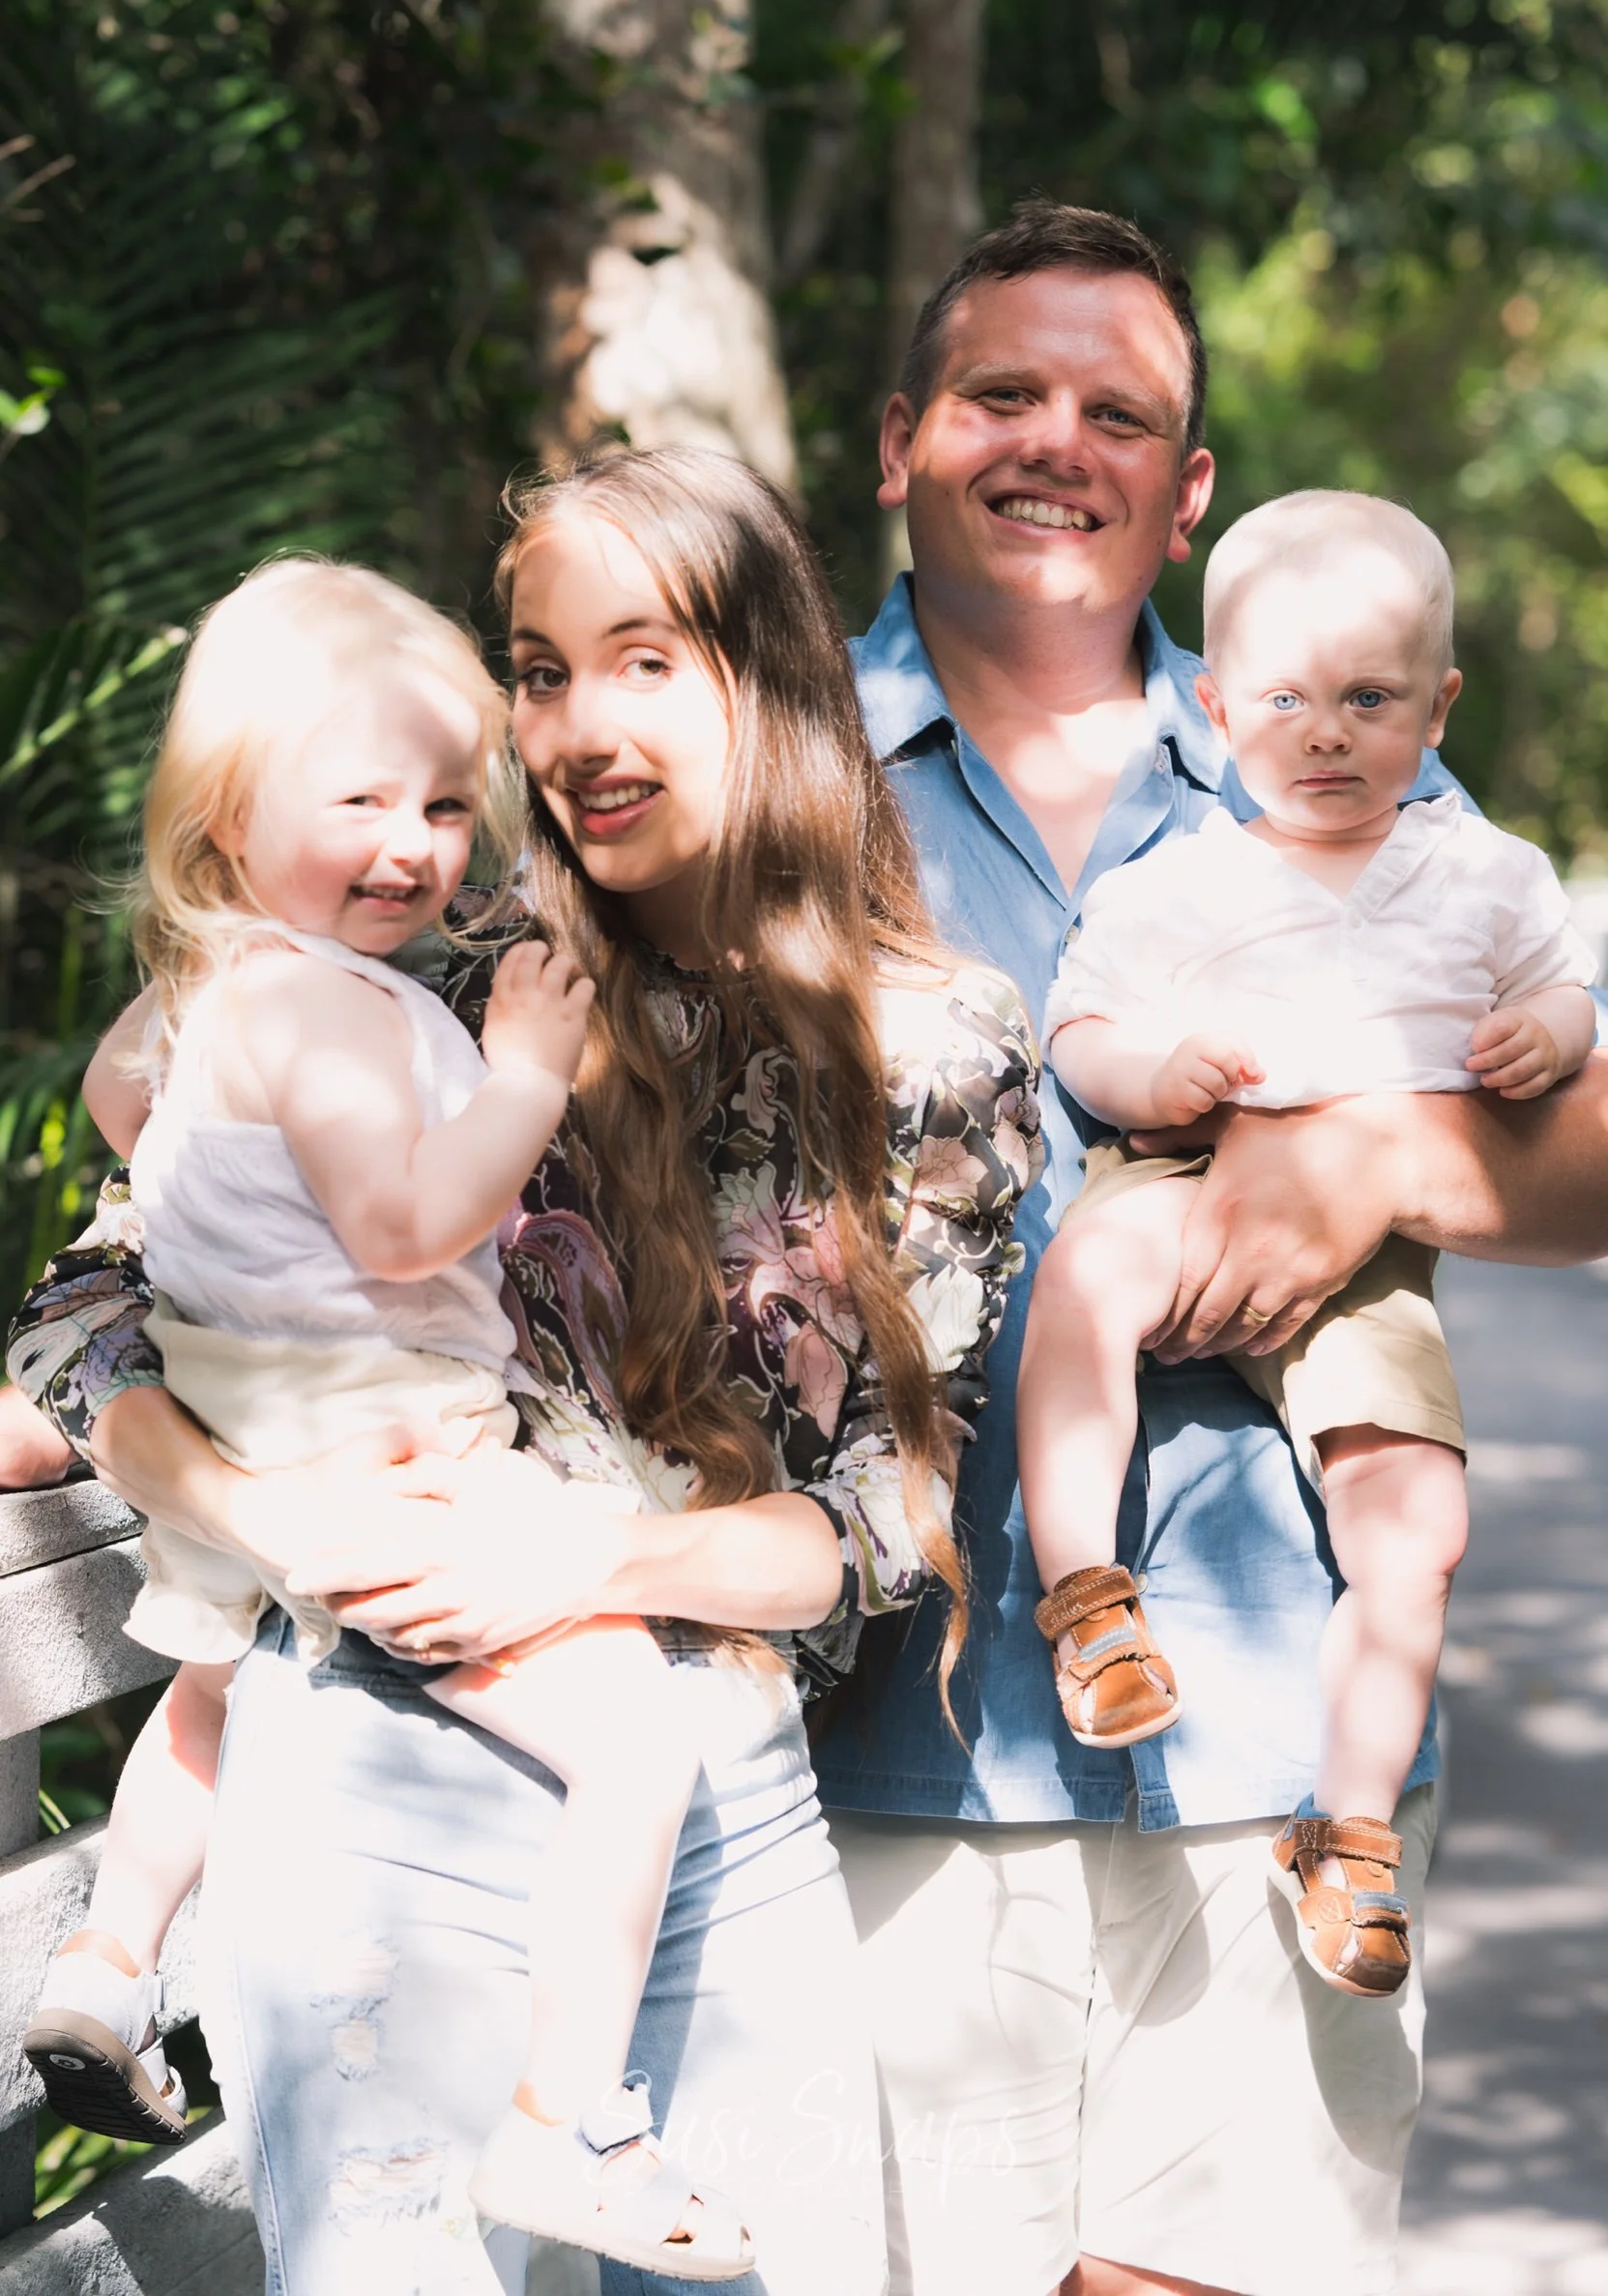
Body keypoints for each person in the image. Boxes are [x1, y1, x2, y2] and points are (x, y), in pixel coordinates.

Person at [7, 446, 1039, 2296]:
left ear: (770, 677)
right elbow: (88, 1309)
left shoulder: (932, 1044)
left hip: (708, 1786)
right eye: (541, 670)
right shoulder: (414, 974)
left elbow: (895, 1509)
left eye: (641, 658)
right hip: (371, 1763)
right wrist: (253, 1508)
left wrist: (600, 1564)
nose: (575, 723)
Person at [808, 201, 1608, 2296]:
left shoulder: (1332, 733)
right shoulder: (772, 769)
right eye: (1002, 393)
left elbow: (1589, 1162)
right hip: (890, 1707)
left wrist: (1365, 1161)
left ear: (1191, 486)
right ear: (900, 438)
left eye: (1119, 408)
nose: (1055, 439)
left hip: (1274, 1721)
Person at [20, 556, 762, 2277]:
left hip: (264, 1420)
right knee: (640, 1748)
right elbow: (409, 1228)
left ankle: (109, 1958)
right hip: (386, 1449)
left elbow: (126, 1102)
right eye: (356, 798)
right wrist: (515, 1069)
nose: (414, 844)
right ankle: (568, 2121)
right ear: (226, 811)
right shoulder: (337, 1009)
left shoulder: (224, 992)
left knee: (206, 1694)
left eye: (442, 801)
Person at [1017, 489, 1595, 2000]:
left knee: (1417, 1531)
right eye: (1284, 700)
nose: (1326, 734)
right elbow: (1078, 1032)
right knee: (1081, 1280)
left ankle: (1345, 1829)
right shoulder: (1177, 886)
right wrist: (1156, 1078)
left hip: (1371, 1255)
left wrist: (1543, 1029)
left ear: (1436, 706)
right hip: (1177, 1171)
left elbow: (1562, 996)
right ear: (1214, 707)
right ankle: (1086, 1594)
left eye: (1368, 699)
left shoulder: (1485, 877)